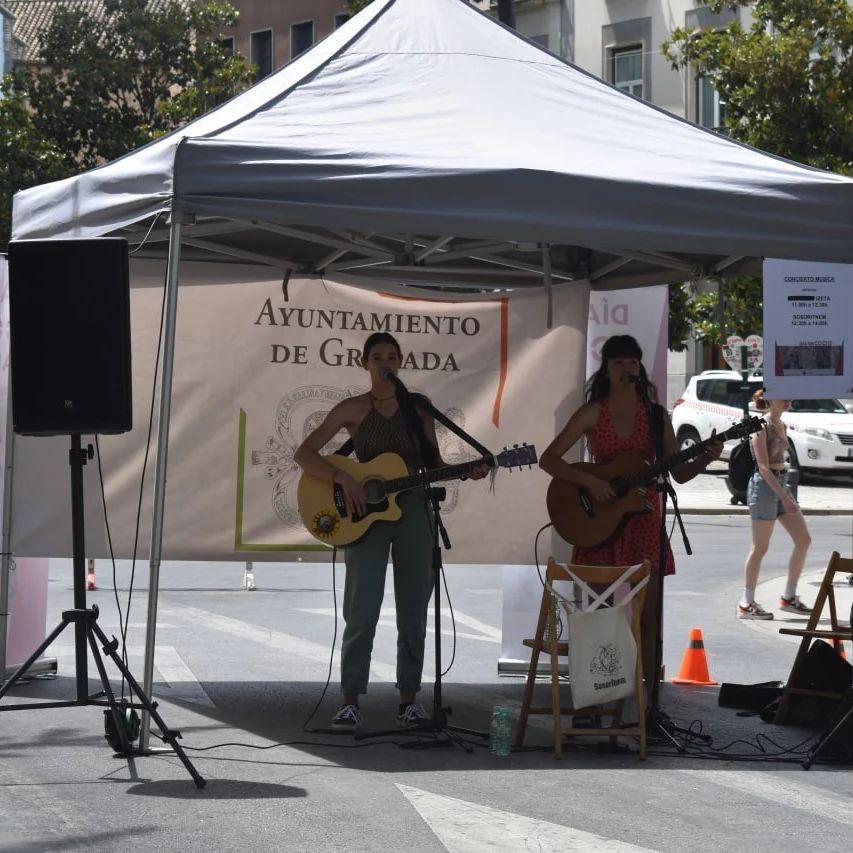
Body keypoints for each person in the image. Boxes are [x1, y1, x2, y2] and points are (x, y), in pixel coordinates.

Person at [294, 332, 487, 731]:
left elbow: (431, 460)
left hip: (414, 507)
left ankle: (409, 699)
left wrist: (464, 470)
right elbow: (304, 454)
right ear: (364, 363)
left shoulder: (418, 407)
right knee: (361, 608)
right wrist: (343, 480)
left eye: (392, 356)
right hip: (365, 515)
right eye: (377, 356)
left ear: (400, 361)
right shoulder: (352, 408)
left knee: (414, 608)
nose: (385, 362)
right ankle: (350, 699)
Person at [538, 335, 722, 687]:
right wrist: (590, 482)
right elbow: (549, 459)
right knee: (599, 617)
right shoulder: (593, 412)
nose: (626, 368)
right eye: (618, 362)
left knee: (647, 616)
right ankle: (597, 700)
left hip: (644, 522)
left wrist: (703, 457)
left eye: (632, 362)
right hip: (601, 523)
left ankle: (645, 702)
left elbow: (677, 472)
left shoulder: (655, 415)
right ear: (606, 369)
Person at [738, 389, 812, 619]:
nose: (788, 401)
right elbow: (763, 467)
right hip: (764, 487)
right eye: (783, 397)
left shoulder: (782, 424)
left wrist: (785, 494)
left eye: (790, 397)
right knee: (760, 548)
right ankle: (746, 603)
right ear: (769, 399)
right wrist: (784, 497)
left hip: (780, 483)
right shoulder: (760, 426)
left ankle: (788, 597)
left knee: (803, 540)